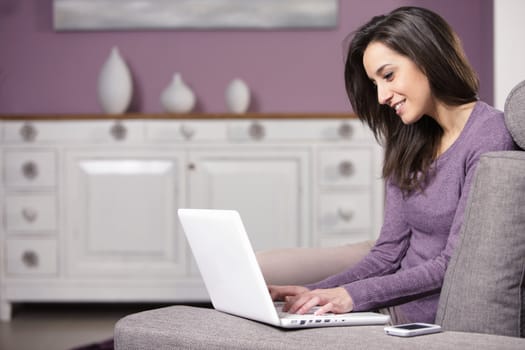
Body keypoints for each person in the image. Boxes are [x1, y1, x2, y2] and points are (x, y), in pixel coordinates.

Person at [258, 6, 517, 325]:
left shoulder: (490, 136)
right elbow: (388, 252)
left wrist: (351, 296)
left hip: (421, 322)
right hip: (382, 310)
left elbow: (455, 261)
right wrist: (312, 292)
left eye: (388, 75)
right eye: (374, 83)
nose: (380, 96)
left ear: (427, 57)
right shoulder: (408, 138)